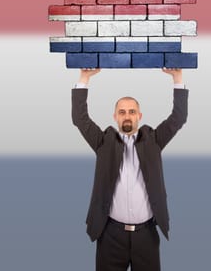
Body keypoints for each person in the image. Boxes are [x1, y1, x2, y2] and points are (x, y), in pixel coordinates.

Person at [72, 68, 189, 271]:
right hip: (110, 235)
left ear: (139, 116)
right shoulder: (103, 142)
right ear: (115, 116)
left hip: (147, 236)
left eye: (132, 112)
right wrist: (84, 78)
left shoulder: (154, 140)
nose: (127, 116)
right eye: (122, 112)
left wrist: (177, 78)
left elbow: (178, 118)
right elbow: (80, 119)